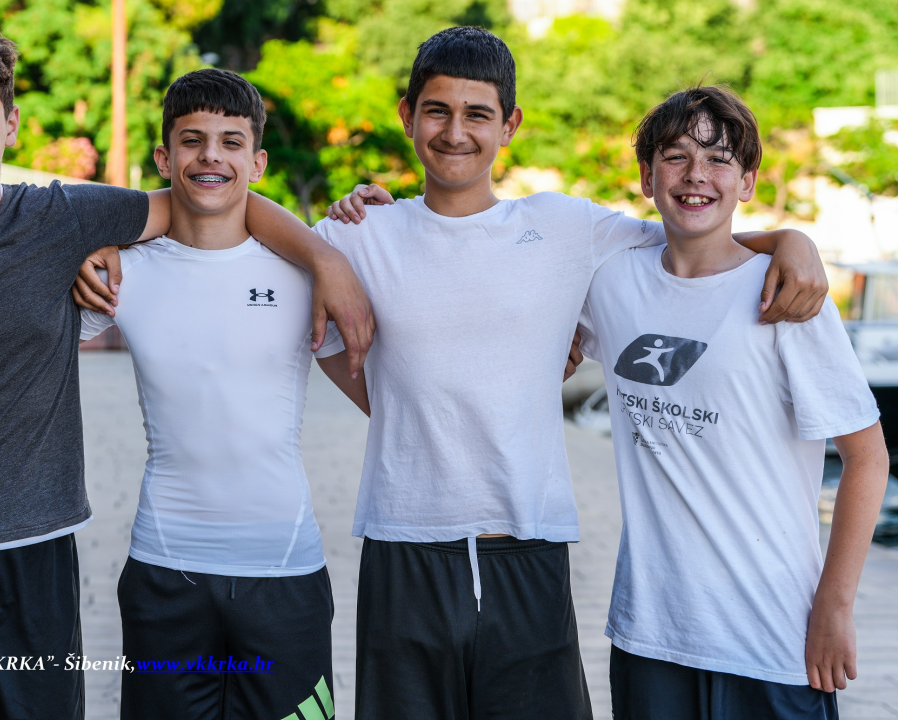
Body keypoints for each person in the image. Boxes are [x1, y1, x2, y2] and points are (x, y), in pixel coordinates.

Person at [0, 21, 372, 720]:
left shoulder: (62, 217)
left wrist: (325, 257)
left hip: (29, 556)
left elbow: (204, 197)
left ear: (11, 124)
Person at [285, 26, 831, 720]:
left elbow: (690, 233)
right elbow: (273, 257)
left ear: (509, 124)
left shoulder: (567, 229)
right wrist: (334, 270)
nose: (455, 132)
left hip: (528, 548)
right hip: (403, 546)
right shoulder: (356, 236)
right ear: (406, 114)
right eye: (437, 111)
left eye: (477, 114)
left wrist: (790, 238)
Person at [575, 85, 888, 719]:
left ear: (747, 182)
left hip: (774, 638)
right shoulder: (609, 279)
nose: (696, 175)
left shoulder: (787, 296)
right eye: (675, 155)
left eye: (719, 159)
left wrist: (834, 604)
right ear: (645, 176)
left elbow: (867, 457)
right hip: (651, 634)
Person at [77, 69, 368, 720]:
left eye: (231, 142)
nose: (211, 155)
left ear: (257, 162)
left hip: (284, 571)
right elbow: (18, 338)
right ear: (164, 157)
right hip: (164, 571)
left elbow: (382, 398)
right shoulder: (123, 270)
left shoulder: (303, 273)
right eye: (192, 139)